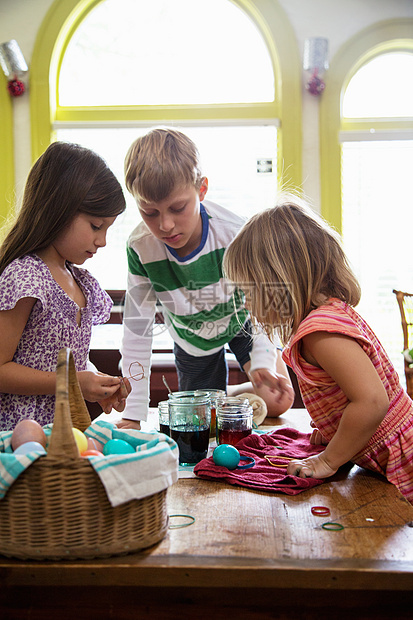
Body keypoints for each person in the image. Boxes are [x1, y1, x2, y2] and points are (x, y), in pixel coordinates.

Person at [222, 194, 413, 503]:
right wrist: (336, 431)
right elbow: (351, 393)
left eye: (248, 290)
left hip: (405, 459)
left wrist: (327, 460)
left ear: (279, 283)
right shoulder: (326, 318)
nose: (246, 303)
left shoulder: (320, 331)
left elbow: (373, 401)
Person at [119, 127, 294, 429]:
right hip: (192, 336)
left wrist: (263, 361)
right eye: (149, 212)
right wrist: (133, 414)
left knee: (279, 399)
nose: (166, 225)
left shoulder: (233, 233)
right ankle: (219, 400)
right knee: (200, 421)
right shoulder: (140, 248)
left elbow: (266, 300)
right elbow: (137, 331)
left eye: (178, 208)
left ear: (201, 190)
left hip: (243, 320)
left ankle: (228, 396)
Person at [0, 141, 131, 432]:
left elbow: (74, 362)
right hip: (20, 438)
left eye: (108, 229)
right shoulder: (24, 277)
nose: (103, 241)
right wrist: (71, 382)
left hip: (65, 435)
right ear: (57, 210)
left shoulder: (80, 282)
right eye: (96, 226)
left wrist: (96, 383)